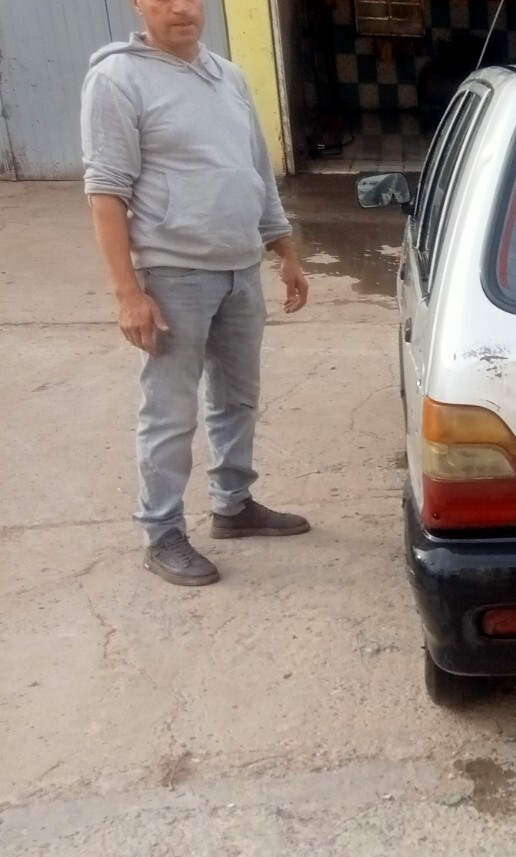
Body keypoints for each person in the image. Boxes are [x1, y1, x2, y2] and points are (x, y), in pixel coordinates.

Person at [82, 0, 312, 587]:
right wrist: (127, 293)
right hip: (174, 274)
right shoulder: (117, 78)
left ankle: (233, 505)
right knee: (170, 411)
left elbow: (255, 170)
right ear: (139, 3)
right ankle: (161, 531)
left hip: (240, 270)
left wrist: (283, 249)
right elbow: (106, 192)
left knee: (238, 398)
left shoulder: (228, 76)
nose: (182, 7)